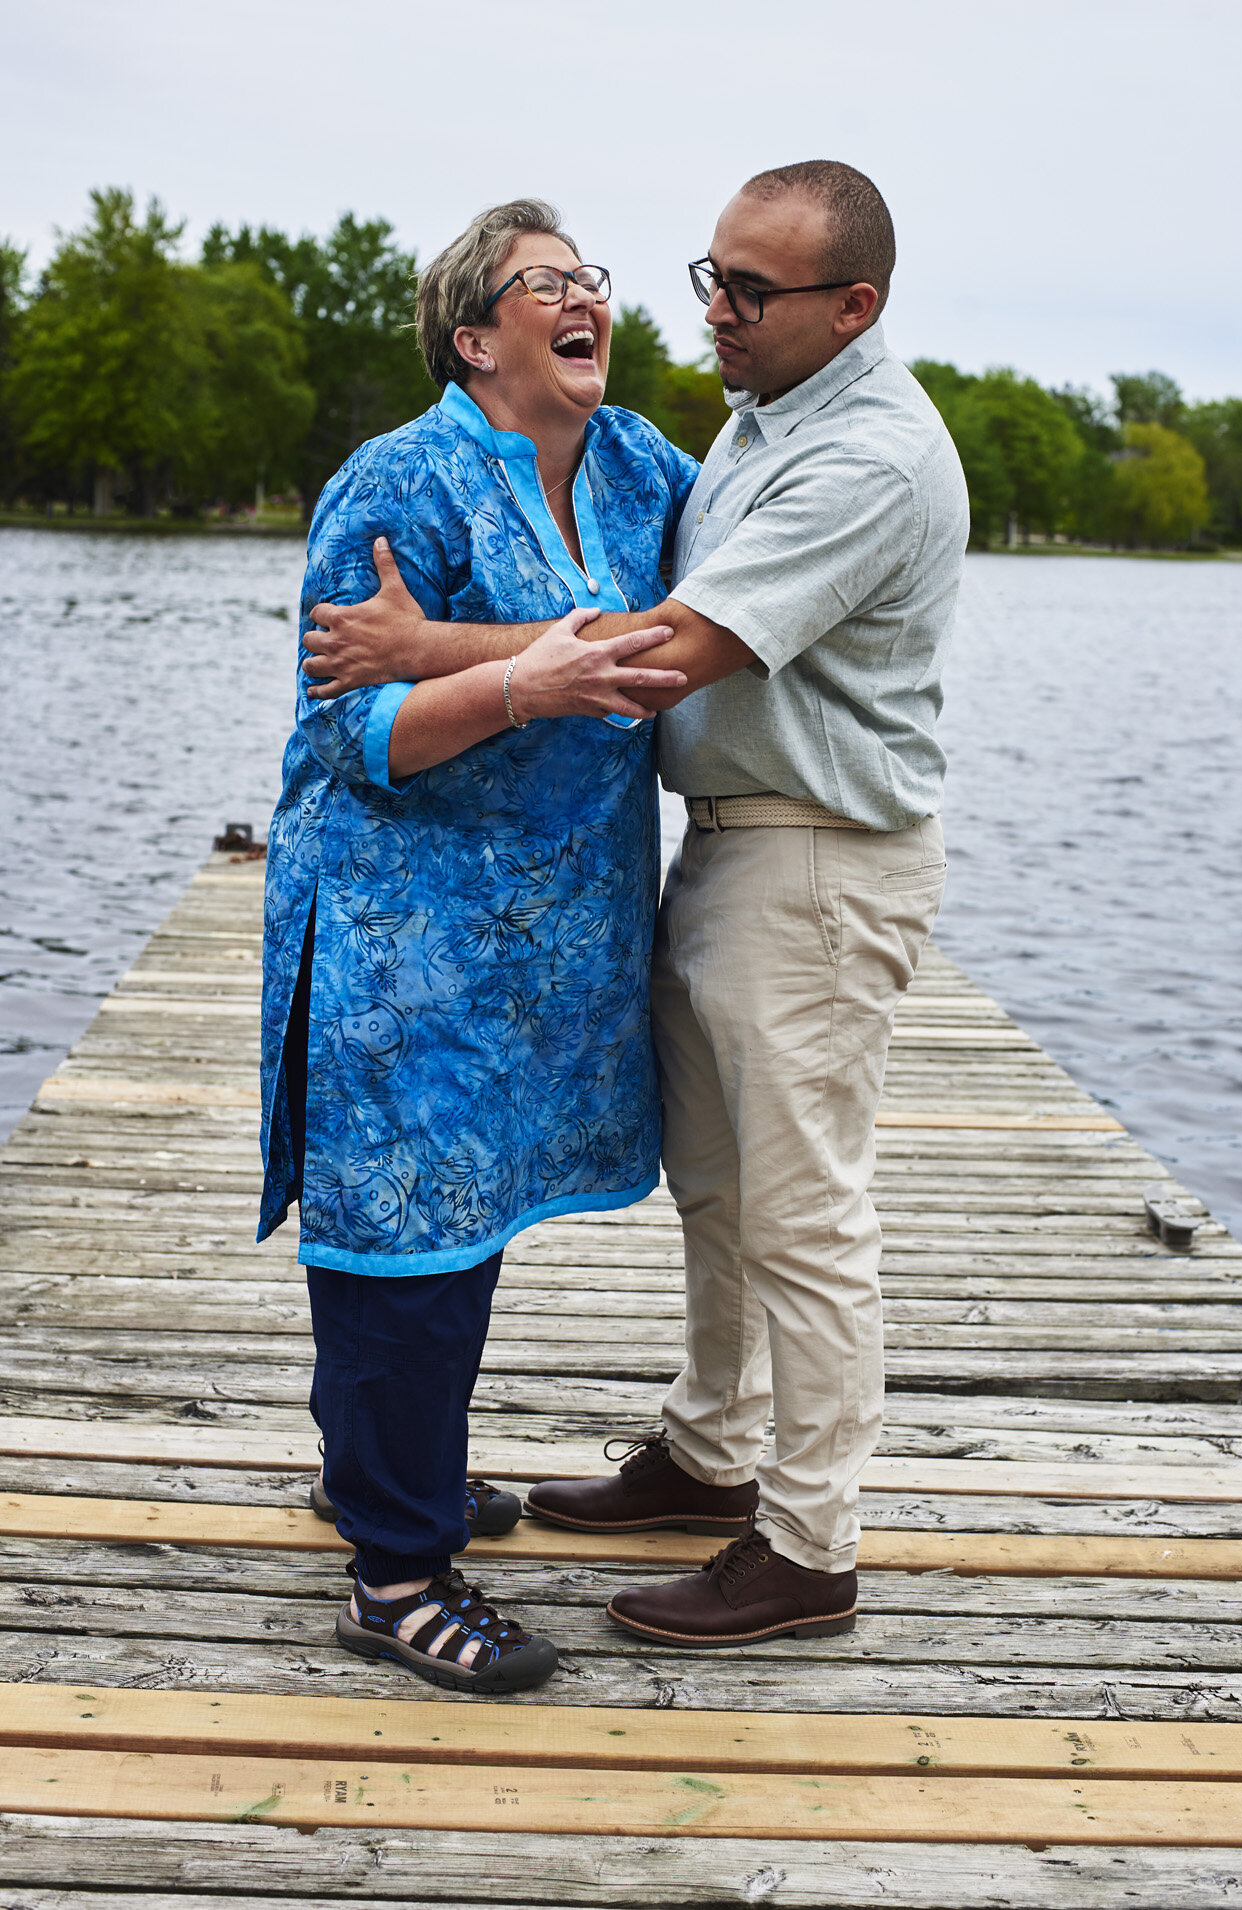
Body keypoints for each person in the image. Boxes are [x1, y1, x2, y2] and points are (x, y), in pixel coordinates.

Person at [302, 160, 968, 1650]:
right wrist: (424, 662)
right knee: (695, 1198)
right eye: (710, 277)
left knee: (802, 1216)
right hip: (625, 877)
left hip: (812, 858)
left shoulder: (838, 460)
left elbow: (662, 652)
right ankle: (697, 1454)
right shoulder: (733, 427)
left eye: (752, 290)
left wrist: (430, 645)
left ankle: (808, 1541)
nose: (710, 309)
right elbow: (347, 712)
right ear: (472, 336)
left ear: (853, 307)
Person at [258, 198, 697, 1694]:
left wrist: (466, 649)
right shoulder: (397, 480)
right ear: (473, 337)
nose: (584, 300)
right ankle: (395, 1576)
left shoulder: (638, 462)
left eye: (590, 278)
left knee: (470, 1223)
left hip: (553, 938)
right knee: (405, 1236)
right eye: (544, 283)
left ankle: (374, 1471)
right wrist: (518, 684)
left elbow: (695, 619)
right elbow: (351, 724)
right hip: (405, 932)